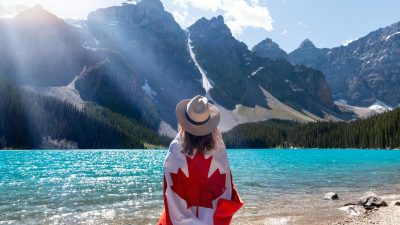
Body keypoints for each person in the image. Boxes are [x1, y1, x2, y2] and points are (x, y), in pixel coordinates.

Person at [159, 95, 243, 225]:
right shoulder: (219, 150)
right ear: (210, 126)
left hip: (179, 218)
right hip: (211, 220)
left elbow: (169, 190)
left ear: (184, 124)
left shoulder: (175, 150)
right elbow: (226, 188)